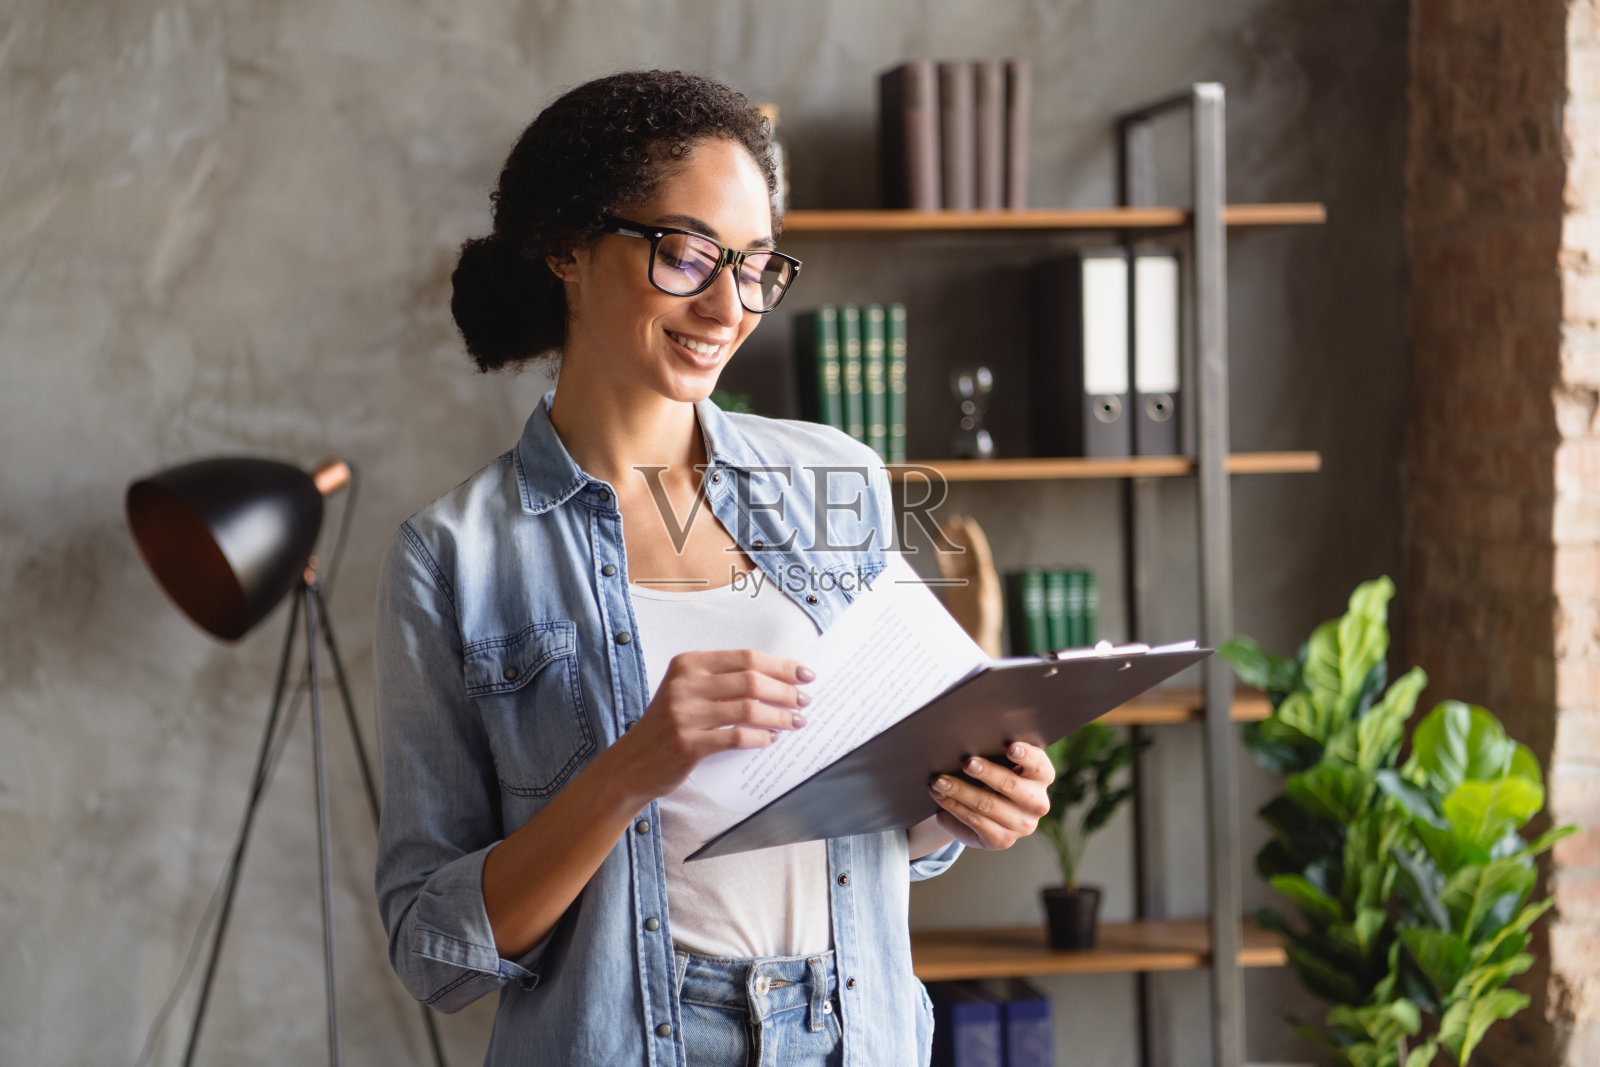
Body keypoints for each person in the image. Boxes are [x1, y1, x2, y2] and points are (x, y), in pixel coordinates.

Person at [373, 70, 1053, 1067]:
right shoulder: (452, 555)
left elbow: (884, 828)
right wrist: (628, 769)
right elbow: (435, 950)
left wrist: (964, 800)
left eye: (757, 267)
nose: (729, 306)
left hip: (854, 1037)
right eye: (687, 255)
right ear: (566, 245)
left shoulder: (841, 478)